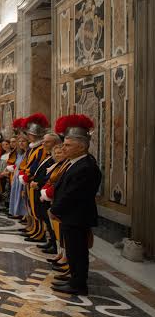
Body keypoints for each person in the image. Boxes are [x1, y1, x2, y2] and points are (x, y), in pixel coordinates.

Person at [49, 115, 100, 296]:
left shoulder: (86, 166)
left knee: (78, 251)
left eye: (68, 145)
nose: (63, 148)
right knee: (72, 250)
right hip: (71, 215)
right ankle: (73, 277)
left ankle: (78, 284)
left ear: (81, 147)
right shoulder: (75, 163)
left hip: (77, 216)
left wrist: (55, 209)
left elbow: (73, 194)